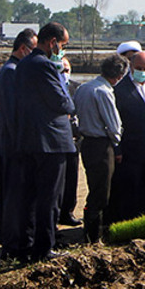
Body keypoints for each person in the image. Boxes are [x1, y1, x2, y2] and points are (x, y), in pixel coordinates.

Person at [10, 22, 75, 261]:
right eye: (63, 45)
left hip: (28, 139)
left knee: (29, 197)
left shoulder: (24, 64)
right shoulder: (45, 65)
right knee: (50, 198)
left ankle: (25, 245)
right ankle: (44, 248)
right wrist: (69, 102)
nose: (62, 50)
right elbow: (63, 102)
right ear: (52, 42)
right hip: (50, 141)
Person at [73, 54, 126, 243]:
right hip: (102, 145)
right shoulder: (104, 91)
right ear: (119, 75)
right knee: (101, 192)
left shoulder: (83, 88)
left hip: (86, 143)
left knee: (93, 185)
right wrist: (117, 140)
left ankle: (91, 232)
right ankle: (93, 236)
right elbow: (113, 125)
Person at [0, 27, 36, 244]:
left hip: (12, 141)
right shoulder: (11, 71)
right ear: (22, 48)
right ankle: (4, 233)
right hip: (12, 142)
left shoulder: (15, 69)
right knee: (11, 192)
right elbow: (11, 112)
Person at [111, 50, 145, 222]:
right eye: (138, 68)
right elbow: (115, 123)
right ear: (131, 68)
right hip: (131, 151)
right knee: (132, 192)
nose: (142, 72)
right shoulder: (119, 90)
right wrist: (118, 148)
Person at [57, 56, 83, 227]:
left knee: (72, 177)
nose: (65, 74)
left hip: (74, 139)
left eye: (67, 70)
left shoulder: (77, 88)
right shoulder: (52, 87)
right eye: (61, 70)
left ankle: (68, 211)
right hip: (57, 140)